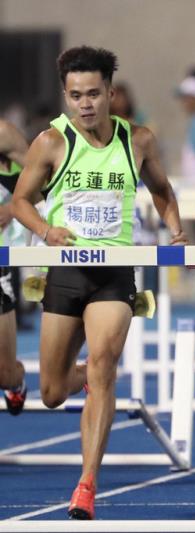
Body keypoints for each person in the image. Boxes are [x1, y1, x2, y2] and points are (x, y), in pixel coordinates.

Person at [11, 45, 187, 520]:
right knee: (49, 392)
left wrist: (175, 228)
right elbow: (21, 202)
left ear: (111, 93)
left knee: (104, 363)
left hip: (114, 274)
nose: (85, 104)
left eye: (93, 93)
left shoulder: (138, 141)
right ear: (65, 97)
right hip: (65, 274)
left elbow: (162, 190)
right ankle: (89, 380)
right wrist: (47, 230)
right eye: (75, 95)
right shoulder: (50, 142)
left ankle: (86, 484)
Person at [0, 119, 30, 415]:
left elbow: (51, 177)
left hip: (0, 261)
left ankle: (15, 380)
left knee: (3, 372)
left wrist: (12, 208)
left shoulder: (4, 134)